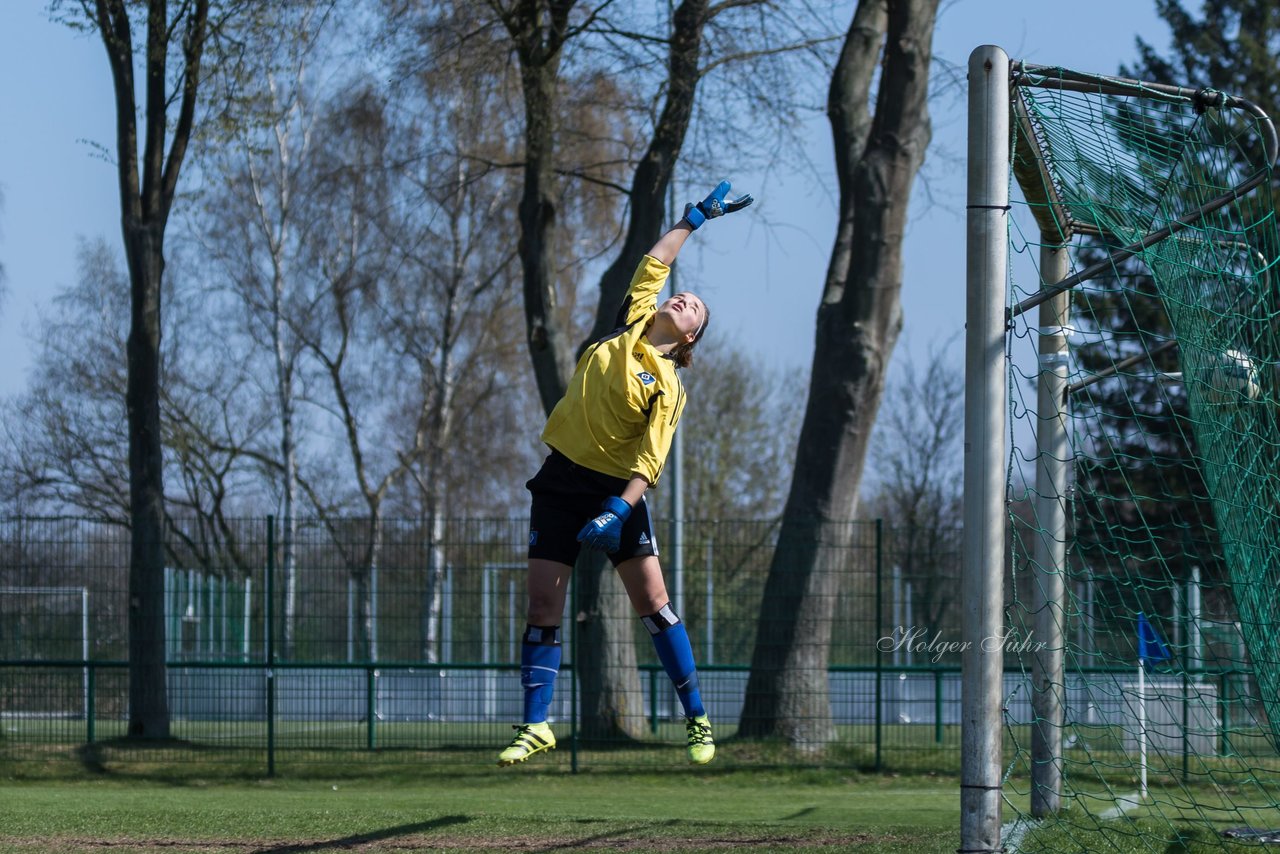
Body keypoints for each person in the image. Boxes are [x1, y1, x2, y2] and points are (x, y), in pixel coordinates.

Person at [497, 180, 754, 767]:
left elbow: (650, 460)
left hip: (618, 494)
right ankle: (537, 724)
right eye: (681, 295)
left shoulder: (670, 384)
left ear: (691, 338)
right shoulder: (633, 321)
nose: (682, 297)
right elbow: (656, 262)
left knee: (654, 603)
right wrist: (696, 217)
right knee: (542, 607)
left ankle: (697, 719)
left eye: (694, 307)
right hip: (561, 480)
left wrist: (618, 509)